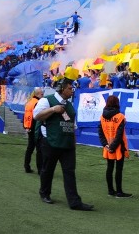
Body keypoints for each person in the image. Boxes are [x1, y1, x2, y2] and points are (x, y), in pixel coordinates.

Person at [32, 78, 93, 210]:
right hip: (50, 142)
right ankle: (44, 193)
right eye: (70, 88)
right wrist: (53, 109)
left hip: (67, 144)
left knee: (69, 172)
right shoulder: (46, 100)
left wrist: (74, 143)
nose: (72, 91)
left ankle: (74, 202)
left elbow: (72, 126)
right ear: (62, 89)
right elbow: (36, 116)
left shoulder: (69, 105)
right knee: (48, 170)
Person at [97, 95, 132, 198]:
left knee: (109, 167)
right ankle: (119, 192)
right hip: (118, 146)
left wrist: (106, 145)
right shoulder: (120, 116)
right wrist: (113, 146)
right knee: (118, 169)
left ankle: (110, 191)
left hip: (107, 145)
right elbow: (119, 134)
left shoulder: (102, 116)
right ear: (117, 103)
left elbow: (100, 132)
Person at [23, 87, 43, 173]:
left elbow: (27, 116)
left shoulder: (29, 102)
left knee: (30, 148)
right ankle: (40, 169)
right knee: (39, 150)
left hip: (29, 127)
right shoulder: (37, 103)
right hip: (35, 128)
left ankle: (26, 166)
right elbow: (36, 117)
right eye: (42, 94)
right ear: (38, 94)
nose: (43, 95)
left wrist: (27, 127)